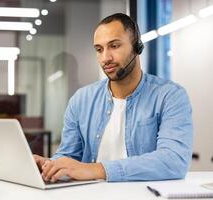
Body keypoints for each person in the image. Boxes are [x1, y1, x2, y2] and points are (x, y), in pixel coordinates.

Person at [34, 13, 193, 183]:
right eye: (99, 49)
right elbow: (69, 157)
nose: (105, 58)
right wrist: (50, 165)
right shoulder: (81, 100)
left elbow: (173, 161)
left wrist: (97, 169)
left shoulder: (170, 96)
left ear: (137, 46)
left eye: (114, 46)